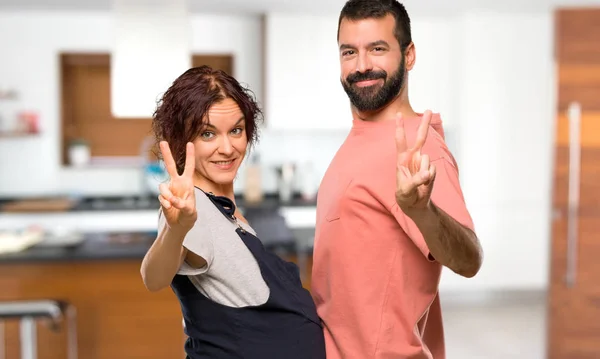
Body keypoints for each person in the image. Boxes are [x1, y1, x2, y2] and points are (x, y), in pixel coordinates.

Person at [311, 1, 484, 358]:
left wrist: (422, 211)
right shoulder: (362, 135)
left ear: (409, 55)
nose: (362, 66)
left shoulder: (419, 148)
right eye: (349, 52)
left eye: (377, 49)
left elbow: (469, 260)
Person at [140, 66, 326, 359]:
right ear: (180, 139)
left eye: (236, 130)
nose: (227, 148)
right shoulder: (192, 208)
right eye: (208, 133)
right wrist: (176, 230)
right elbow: (154, 278)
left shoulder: (225, 209)